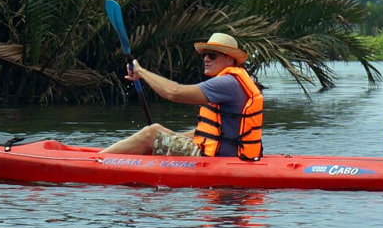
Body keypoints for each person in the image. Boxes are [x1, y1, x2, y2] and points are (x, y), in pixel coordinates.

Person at [100, 33, 263, 160]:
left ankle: (96, 160)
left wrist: (141, 72)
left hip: (218, 158)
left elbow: (174, 92)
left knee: (150, 134)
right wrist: (172, 136)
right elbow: (214, 131)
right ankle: (100, 157)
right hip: (229, 153)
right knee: (156, 130)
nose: (206, 59)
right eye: (205, 55)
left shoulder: (226, 83)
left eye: (212, 55)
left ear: (230, 59)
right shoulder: (235, 81)